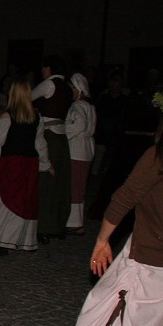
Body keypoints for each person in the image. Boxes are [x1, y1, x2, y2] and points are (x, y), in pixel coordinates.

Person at [62, 113, 163, 326]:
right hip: (148, 255)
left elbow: (125, 197)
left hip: (152, 263)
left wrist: (102, 240)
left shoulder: (157, 157)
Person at [0, 79, 48, 254]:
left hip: (12, 163)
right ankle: (13, 240)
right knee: (22, 202)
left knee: (3, 202)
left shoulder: (7, 117)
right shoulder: (36, 117)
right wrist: (45, 164)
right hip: (28, 164)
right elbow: (39, 144)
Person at [32, 56, 74, 242]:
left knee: (47, 180)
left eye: (43, 69)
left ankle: (43, 227)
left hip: (49, 135)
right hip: (62, 137)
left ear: (48, 69)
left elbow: (27, 97)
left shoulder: (49, 84)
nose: (42, 72)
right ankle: (57, 225)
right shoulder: (68, 87)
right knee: (60, 182)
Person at [65, 73, 97, 235]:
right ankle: (74, 220)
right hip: (85, 149)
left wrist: (63, 132)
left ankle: (75, 222)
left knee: (75, 186)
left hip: (77, 150)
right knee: (79, 185)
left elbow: (78, 125)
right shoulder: (89, 106)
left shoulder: (78, 106)